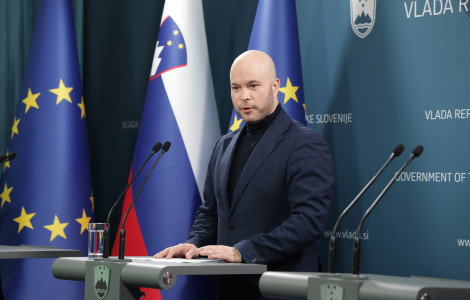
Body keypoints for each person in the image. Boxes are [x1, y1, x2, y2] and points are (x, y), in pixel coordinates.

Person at [155, 50, 334, 299]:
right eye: (236, 88)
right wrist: (194, 243)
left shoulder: (304, 143)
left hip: (279, 288)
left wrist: (245, 251)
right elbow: (212, 212)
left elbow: (308, 221)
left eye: (253, 86)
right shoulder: (223, 146)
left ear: (275, 87)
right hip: (229, 290)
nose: (244, 96)